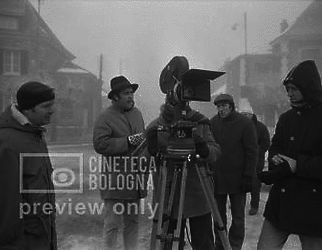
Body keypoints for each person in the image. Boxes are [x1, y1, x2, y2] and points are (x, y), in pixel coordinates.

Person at [256, 60, 322, 250]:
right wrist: (275, 159)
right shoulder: (287, 119)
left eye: (294, 89)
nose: (290, 94)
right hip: (282, 204)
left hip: (316, 207)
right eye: (288, 89)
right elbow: (275, 146)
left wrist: (298, 165)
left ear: (309, 88)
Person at [0, 81, 58, 250]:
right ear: (28, 108)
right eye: (45, 106)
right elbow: (3, 207)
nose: (52, 110)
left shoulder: (34, 135)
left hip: (40, 238)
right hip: (23, 243)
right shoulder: (7, 145)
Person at [146, 101, 221, 250]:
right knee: (169, 244)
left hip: (198, 193)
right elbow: (144, 161)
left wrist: (204, 150)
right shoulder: (156, 127)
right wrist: (151, 149)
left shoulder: (199, 123)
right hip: (169, 198)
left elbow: (215, 152)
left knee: (204, 243)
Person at [93, 75, 148, 250]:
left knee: (132, 222)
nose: (131, 96)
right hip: (115, 181)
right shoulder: (105, 117)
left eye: (131, 92)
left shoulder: (137, 114)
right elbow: (100, 144)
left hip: (135, 180)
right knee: (113, 224)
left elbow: (144, 142)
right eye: (126, 93)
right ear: (115, 97)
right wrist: (128, 141)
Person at [210, 94, 258, 250]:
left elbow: (252, 151)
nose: (221, 109)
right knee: (218, 216)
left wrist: (248, 176)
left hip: (238, 179)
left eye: (224, 106)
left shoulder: (244, 123)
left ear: (231, 106)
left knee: (238, 217)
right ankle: (220, 244)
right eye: (218, 106)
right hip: (218, 178)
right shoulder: (213, 123)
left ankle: (235, 245)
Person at [240, 110, 270, 216]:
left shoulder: (261, 127)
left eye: (247, 113)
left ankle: (254, 205)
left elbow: (266, 142)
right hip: (241, 159)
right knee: (240, 181)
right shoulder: (240, 126)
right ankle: (239, 203)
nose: (245, 115)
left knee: (255, 183)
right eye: (243, 114)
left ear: (252, 114)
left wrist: (256, 152)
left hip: (256, 160)